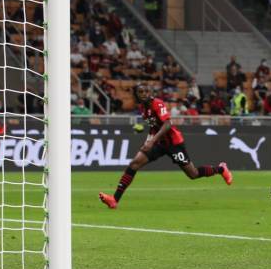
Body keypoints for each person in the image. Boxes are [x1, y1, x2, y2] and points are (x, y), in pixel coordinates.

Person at [98, 84, 232, 209]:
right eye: (140, 92)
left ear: (150, 92)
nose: (143, 94)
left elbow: (167, 124)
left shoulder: (157, 104)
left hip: (174, 143)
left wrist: (152, 141)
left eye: (146, 91)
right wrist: (148, 141)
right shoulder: (143, 109)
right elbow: (152, 128)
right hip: (159, 144)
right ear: (136, 94)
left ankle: (221, 169)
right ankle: (114, 200)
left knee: (193, 174)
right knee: (134, 164)